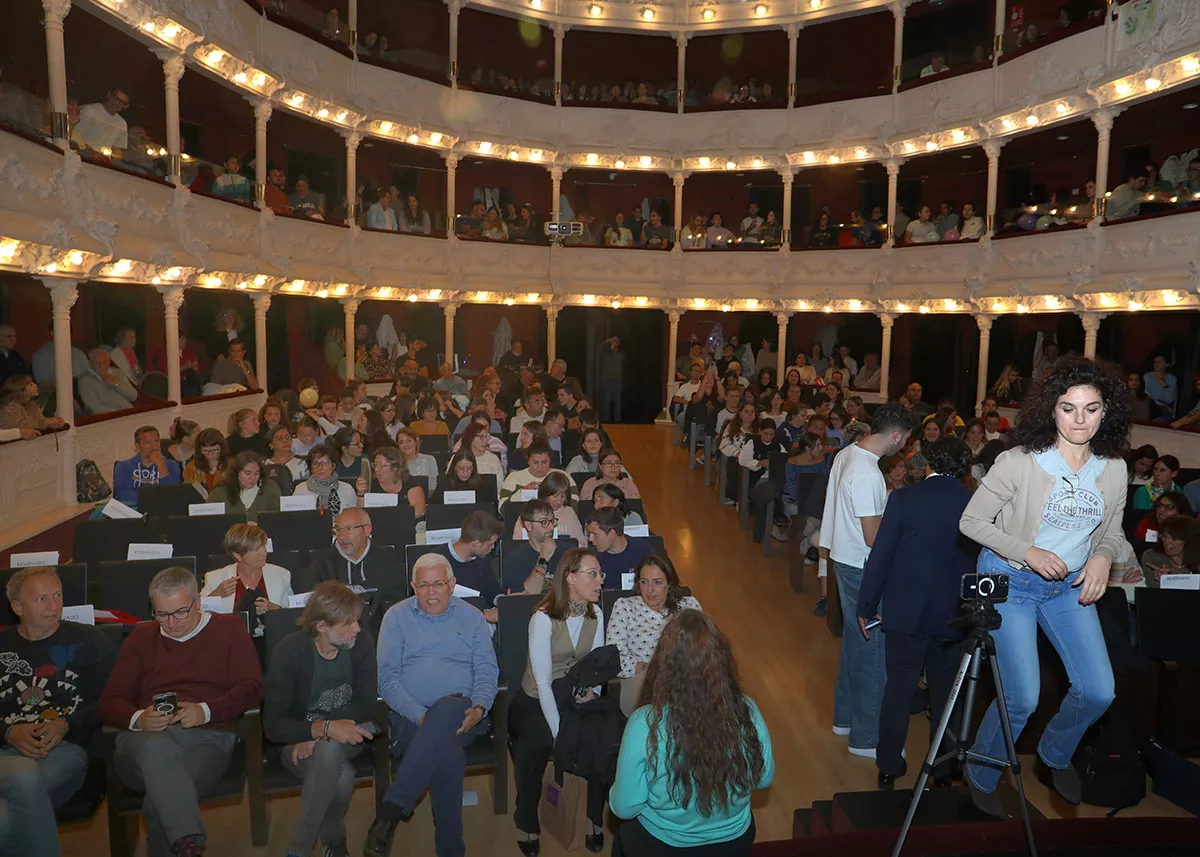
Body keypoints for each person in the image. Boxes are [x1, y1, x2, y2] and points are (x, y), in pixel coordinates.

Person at [958, 356, 1130, 814]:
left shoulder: (1113, 469)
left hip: (1068, 591)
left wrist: (1102, 556)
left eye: (1090, 408)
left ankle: (1055, 755)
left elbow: (1113, 531)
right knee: (1022, 697)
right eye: (1068, 408)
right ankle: (981, 768)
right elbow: (971, 521)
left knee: (1098, 691)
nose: (1079, 419)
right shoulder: (1019, 462)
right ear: (1051, 410)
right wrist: (1026, 551)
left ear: (1105, 411)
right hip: (1010, 580)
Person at [99, 566, 262, 857]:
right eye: (162, 614)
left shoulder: (228, 629)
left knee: (158, 803)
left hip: (206, 738)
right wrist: (140, 719)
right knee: (158, 748)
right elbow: (111, 701)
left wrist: (206, 711)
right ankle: (188, 843)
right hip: (142, 745)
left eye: (180, 613)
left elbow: (251, 687)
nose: (171, 623)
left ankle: (183, 844)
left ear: (198, 603)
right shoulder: (141, 638)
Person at [856, 439, 976, 789]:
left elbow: (882, 554)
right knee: (945, 694)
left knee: (899, 690)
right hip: (954, 614)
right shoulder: (975, 504)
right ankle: (942, 768)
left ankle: (889, 766)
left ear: (927, 465)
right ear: (966, 468)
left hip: (906, 611)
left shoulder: (904, 499)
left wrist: (867, 604)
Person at [366, 554, 498, 857]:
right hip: (408, 717)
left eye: (438, 584)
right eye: (423, 585)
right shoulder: (397, 617)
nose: (431, 592)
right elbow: (386, 679)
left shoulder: (472, 616)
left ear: (452, 585)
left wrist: (480, 707)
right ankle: (451, 850)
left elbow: (487, 671)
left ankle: (392, 810)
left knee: (449, 709)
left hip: (466, 714)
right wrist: (420, 715)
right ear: (413, 586)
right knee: (447, 753)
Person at [609, 609, 772, 856]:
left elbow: (623, 808)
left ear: (663, 666)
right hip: (732, 843)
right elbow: (763, 778)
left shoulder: (645, 724)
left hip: (663, 845)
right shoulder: (746, 711)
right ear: (722, 661)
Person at [819, 402, 915, 758]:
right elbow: (874, 537)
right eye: (904, 440)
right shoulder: (868, 473)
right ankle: (868, 738)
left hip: (843, 559)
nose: (903, 447)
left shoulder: (848, 454)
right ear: (894, 435)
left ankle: (844, 719)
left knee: (853, 645)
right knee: (873, 651)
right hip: (862, 566)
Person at [0, 566, 116, 857]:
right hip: (4, 753)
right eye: (41, 599)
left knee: (4, 820)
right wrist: (8, 731)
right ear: (17, 607)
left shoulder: (91, 642)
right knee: (23, 775)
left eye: (57, 595)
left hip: (64, 751)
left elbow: (111, 700)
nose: (54, 606)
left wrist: (67, 724)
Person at [508, 548, 608, 856]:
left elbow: (597, 668)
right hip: (536, 699)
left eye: (600, 574)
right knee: (533, 747)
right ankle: (527, 821)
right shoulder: (543, 618)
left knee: (602, 740)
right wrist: (560, 732)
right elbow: (542, 682)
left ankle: (594, 817)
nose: (600, 581)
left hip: (575, 695)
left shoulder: (596, 613)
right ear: (570, 578)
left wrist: (593, 697)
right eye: (593, 574)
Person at [263, 582, 375, 857]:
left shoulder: (360, 645)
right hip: (297, 743)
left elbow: (367, 704)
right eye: (348, 623)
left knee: (329, 746)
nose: (357, 629)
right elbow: (274, 726)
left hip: (349, 735)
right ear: (322, 626)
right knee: (341, 774)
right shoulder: (289, 652)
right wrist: (319, 730)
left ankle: (299, 847)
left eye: (357, 622)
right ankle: (334, 841)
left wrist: (323, 733)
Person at [605, 555, 702, 717]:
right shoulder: (625, 607)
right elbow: (613, 655)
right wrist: (645, 669)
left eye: (657, 582)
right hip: (641, 682)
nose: (650, 590)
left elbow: (703, 649)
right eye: (644, 582)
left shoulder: (689, 606)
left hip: (684, 680)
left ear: (669, 583)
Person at [311, 508, 407, 622]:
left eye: (348, 529)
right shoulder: (322, 563)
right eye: (338, 530)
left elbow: (397, 604)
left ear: (367, 530)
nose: (341, 537)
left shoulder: (389, 561)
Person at [201, 523, 293, 631]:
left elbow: (293, 616)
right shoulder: (215, 578)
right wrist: (215, 595)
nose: (264, 552)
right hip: (230, 642)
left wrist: (276, 609)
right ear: (238, 555)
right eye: (256, 549)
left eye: (263, 546)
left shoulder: (281, 575)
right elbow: (197, 614)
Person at [437, 510, 504, 618]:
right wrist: (483, 615)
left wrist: (505, 601)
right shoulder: (437, 561)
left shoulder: (481, 558)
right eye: (491, 544)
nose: (492, 548)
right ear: (476, 544)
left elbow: (490, 588)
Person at [112, 425, 182, 505]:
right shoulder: (123, 466)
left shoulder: (172, 465)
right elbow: (124, 496)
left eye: (156, 441)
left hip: (162, 511)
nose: (154, 447)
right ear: (137, 446)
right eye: (148, 443)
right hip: (134, 511)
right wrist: (155, 497)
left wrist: (161, 466)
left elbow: (173, 495)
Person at [587, 507, 654, 590]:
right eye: (589, 534)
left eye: (595, 534)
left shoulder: (643, 550)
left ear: (612, 533)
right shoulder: (591, 557)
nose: (590, 539)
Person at [207, 451, 282, 521]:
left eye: (256, 473)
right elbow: (211, 521)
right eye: (248, 473)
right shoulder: (220, 491)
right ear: (237, 472)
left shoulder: (270, 488)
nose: (253, 478)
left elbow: (277, 519)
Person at [499, 444, 572, 509]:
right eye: (535, 463)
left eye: (544, 462)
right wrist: (521, 494)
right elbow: (502, 507)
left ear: (550, 460)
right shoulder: (514, 478)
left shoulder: (563, 476)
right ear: (528, 460)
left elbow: (574, 505)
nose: (540, 467)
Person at [294, 444, 360, 514]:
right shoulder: (300, 490)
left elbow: (355, 517)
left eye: (324, 462)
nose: (320, 467)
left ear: (333, 466)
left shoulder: (347, 490)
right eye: (315, 463)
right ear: (311, 469)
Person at [1141, 516, 1200, 585]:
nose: (1167, 542)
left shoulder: (1197, 559)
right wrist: (1162, 582)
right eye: (1164, 536)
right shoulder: (1151, 557)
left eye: (1175, 539)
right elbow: (1148, 591)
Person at [79, 347, 138, 414]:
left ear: (109, 361)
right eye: (97, 363)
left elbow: (133, 396)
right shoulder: (85, 381)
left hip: (128, 412)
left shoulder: (117, 373)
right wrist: (117, 414)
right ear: (91, 363)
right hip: (106, 418)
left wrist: (117, 384)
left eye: (104, 362)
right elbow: (96, 408)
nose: (101, 366)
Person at [0, 374, 65, 435]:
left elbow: (40, 419)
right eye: (31, 385)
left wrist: (53, 423)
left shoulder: (32, 404)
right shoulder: (10, 407)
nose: (36, 385)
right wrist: (46, 422)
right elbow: (19, 427)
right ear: (21, 391)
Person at [72, 88, 130, 154]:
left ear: (126, 106)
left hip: (102, 161)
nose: (116, 103)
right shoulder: (89, 110)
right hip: (80, 155)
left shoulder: (122, 124)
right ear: (109, 95)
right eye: (115, 98)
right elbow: (74, 137)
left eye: (121, 102)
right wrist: (92, 152)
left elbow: (119, 150)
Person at [1142, 355, 1177, 421]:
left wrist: (1164, 384)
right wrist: (1164, 405)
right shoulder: (1148, 376)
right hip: (1153, 409)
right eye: (1154, 362)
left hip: (1167, 412)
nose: (1156, 364)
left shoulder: (1172, 378)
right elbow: (1150, 395)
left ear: (1167, 364)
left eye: (1159, 361)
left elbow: (1170, 399)